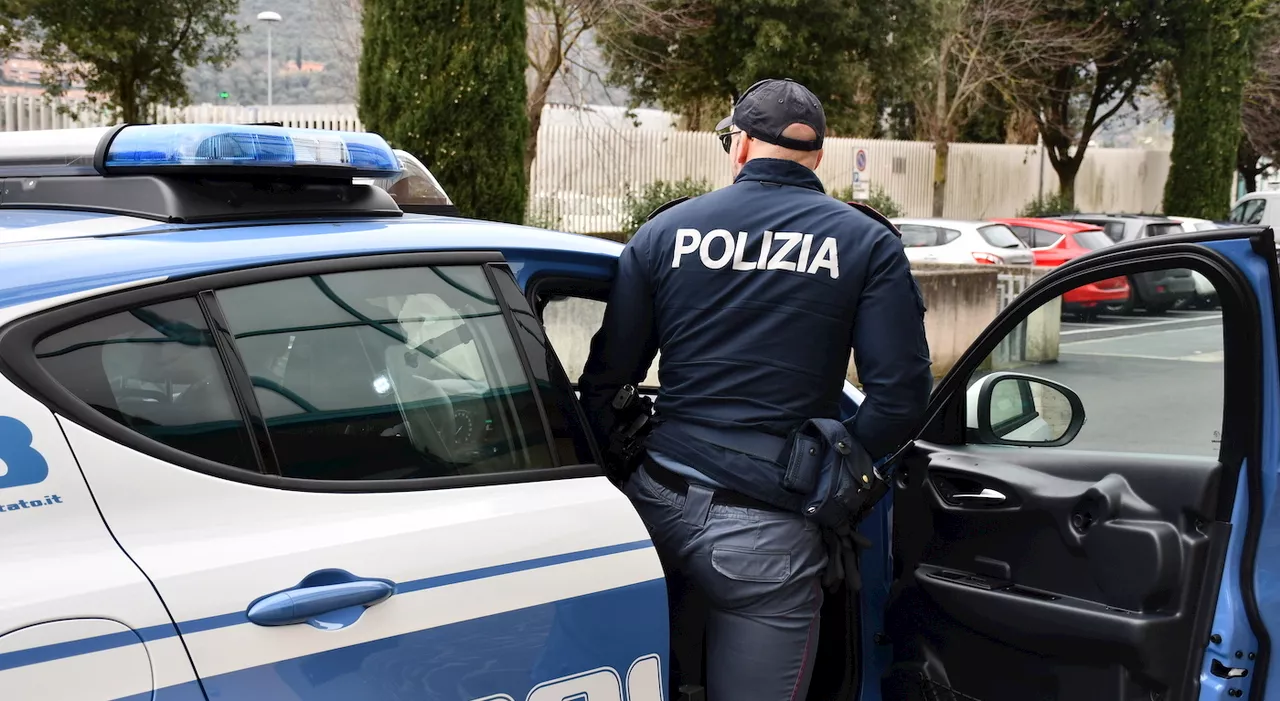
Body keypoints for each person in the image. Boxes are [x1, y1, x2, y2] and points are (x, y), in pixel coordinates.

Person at [577, 78, 933, 701]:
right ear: (819, 156)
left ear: (739, 146)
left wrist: (622, 467)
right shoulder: (866, 243)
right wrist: (832, 471)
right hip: (769, 531)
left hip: (651, 505)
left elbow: (607, 380)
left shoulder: (665, 233)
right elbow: (900, 398)